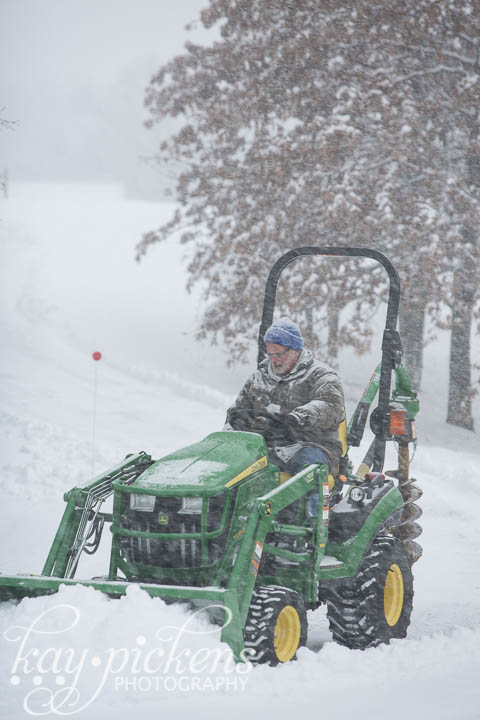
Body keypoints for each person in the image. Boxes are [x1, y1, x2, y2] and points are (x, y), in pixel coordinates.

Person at [225, 317, 346, 476]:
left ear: (295, 350)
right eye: (270, 354)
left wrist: (296, 419)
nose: (273, 360)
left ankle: (306, 499)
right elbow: (237, 411)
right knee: (228, 464)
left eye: (279, 354)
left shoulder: (322, 376)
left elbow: (329, 406)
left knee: (307, 472)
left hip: (310, 445)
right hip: (262, 447)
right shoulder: (258, 378)